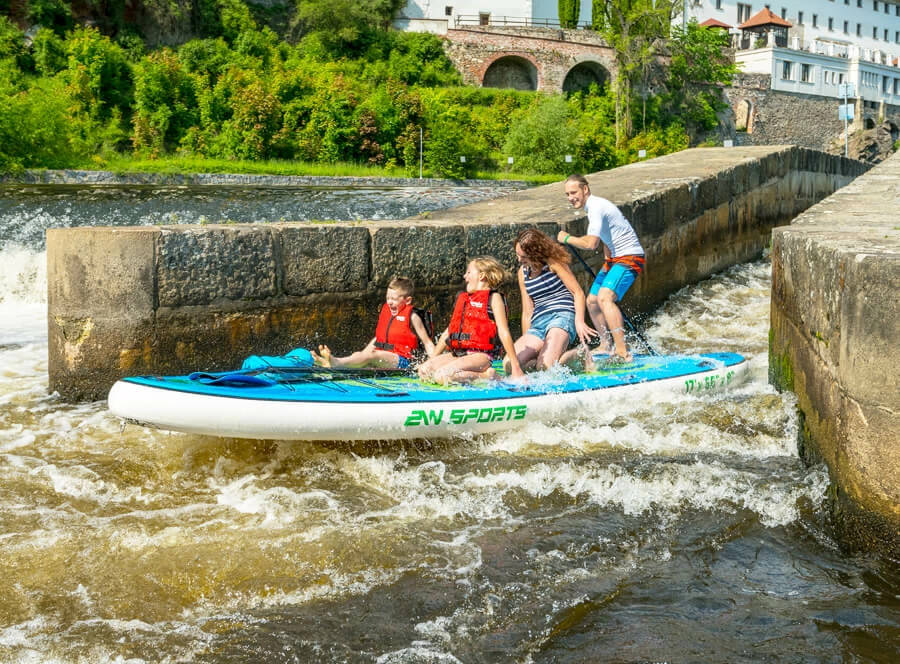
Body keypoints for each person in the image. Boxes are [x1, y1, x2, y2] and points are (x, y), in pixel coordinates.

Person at [557, 174, 645, 363]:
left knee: (605, 297)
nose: (571, 197)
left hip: (630, 257)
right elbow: (608, 234)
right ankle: (606, 344)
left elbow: (591, 244)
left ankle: (622, 350)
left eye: (574, 192)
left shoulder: (596, 206)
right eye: (567, 194)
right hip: (615, 259)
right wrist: (608, 256)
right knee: (592, 301)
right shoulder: (594, 207)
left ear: (585, 189)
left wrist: (565, 238)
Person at [418, 256, 524, 384]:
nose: (464, 276)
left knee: (442, 376)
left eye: (468, 272)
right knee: (424, 371)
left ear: (481, 276)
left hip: (480, 356)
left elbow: (503, 331)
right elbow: (449, 332)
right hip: (458, 353)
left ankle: (487, 375)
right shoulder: (464, 299)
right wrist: (432, 358)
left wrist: (515, 366)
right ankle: (472, 374)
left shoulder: (493, 298)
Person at [509, 227, 596, 372]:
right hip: (539, 322)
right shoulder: (522, 273)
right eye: (518, 255)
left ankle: (579, 355)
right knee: (513, 365)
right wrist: (527, 341)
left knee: (545, 367)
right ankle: (559, 359)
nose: (519, 260)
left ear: (535, 253)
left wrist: (579, 321)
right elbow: (527, 310)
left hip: (562, 316)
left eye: (523, 257)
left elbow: (578, 293)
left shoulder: (553, 263)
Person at [312, 276, 435, 370]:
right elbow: (379, 339)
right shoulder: (387, 310)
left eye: (394, 299)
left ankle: (335, 363)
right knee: (360, 354)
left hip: (404, 361)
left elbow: (428, 343)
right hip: (384, 356)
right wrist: (364, 353)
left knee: (372, 356)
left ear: (407, 300)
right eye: (388, 298)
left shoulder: (413, 317)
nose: (390, 302)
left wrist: (433, 363)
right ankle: (331, 363)